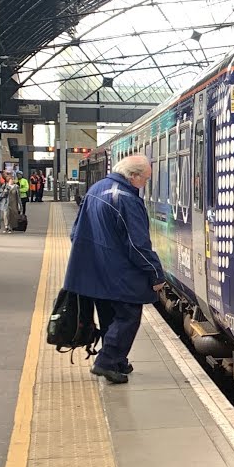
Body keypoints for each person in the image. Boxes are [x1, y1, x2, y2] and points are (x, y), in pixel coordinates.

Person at [63, 155, 166, 384]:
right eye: (146, 179)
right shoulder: (127, 198)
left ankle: (118, 361)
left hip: (96, 271)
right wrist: (155, 273)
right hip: (120, 273)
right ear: (134, 176)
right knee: (129, 317)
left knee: (110, 317)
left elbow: (75, 233)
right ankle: (106, 362)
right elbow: (138, 245)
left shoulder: (96, 189)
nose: (145, 184)